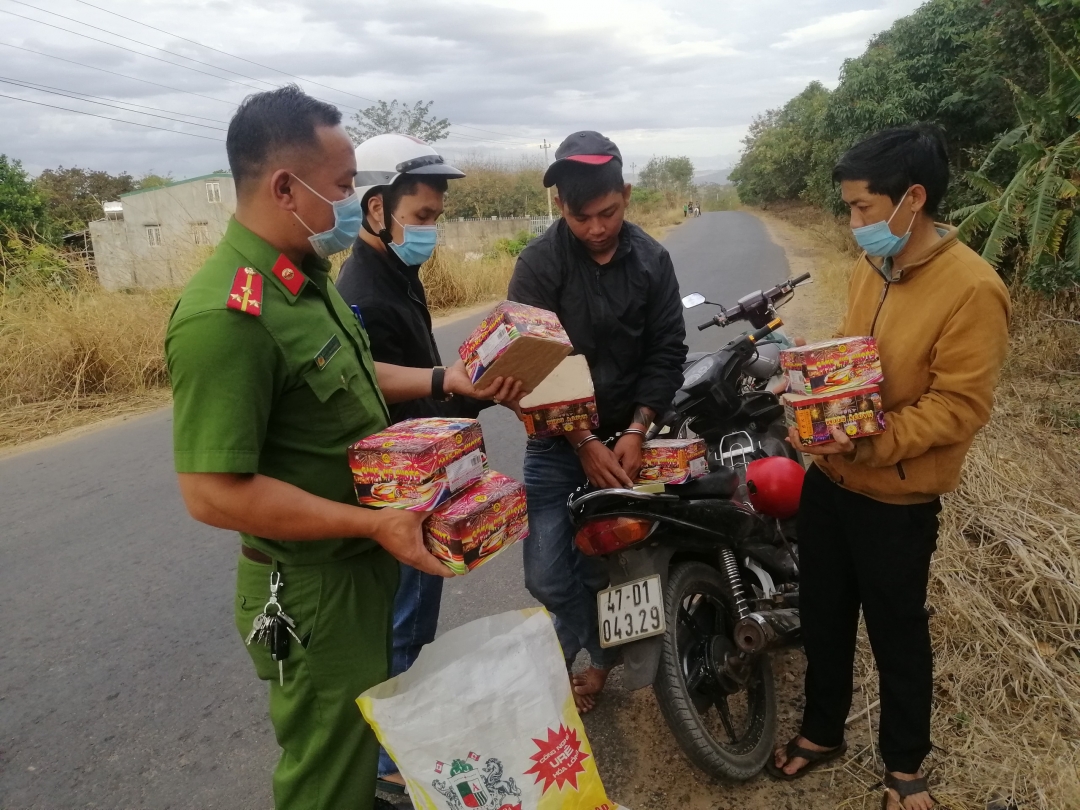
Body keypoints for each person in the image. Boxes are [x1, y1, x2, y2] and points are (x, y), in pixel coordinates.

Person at [165, 85, 518, 810]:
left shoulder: (304, 280)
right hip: (313, 590)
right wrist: (371, 523)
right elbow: (210, 493)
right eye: (345, 185)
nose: (357, 203)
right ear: (286, 187)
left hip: (363, 568)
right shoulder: (226, 316)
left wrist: (440, 376)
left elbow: (353, 376)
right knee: (330, 781)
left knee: (365, 763)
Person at [766, 126, 1010, 810]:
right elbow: (857, 365)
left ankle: (904, 765)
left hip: (897, 499)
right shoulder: (869, 270)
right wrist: (814, 381)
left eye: (863, 209)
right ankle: (822, 732)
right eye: (848, 209)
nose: (854, 224)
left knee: (897, 630)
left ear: (914, 199)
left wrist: (867, 444)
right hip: (830, 481)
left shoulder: (973, 289)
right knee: (823, 614)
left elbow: (957, 408)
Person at [507, 130, 688, 713]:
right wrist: (583, 440)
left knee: (632, 557)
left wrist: (637, 429)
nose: (597, 228)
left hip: (633, 432)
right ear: (561, 207)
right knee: (548, 575)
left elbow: (667, 351)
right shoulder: (536, 266)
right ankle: (610, 652)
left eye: (608, 213)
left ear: (626, 195)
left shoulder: (653, 260)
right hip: (558, 444)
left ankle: (647, 649)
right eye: (583, 217)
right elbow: (532, 370)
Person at [334, 133, 486, 793]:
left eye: (434, 217)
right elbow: (368, 373)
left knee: (419, 610)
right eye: (421, 217)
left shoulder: (398, 272)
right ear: (376, 210)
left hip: (428, 469)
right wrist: (444, 378)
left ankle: (407, 724)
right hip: (400, 484)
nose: (431, 230)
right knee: (401, 616)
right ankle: (385, 761)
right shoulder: (360, 284)